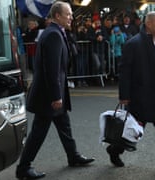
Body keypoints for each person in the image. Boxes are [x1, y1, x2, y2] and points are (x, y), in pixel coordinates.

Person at [15, 2, 95, 179]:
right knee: (38, 132)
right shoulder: (53, 35)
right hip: (48, 96)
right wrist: (56, 96)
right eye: (68, 14)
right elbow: (51, 69)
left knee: (64, 125)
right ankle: (23, 167)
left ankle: (73, 156)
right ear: (57, 16)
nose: (71, 17)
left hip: (53, 92)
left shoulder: (57, 32)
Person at [109, 11, 155, 175]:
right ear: (148, 24)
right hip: (140, 98)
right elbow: (125, 71)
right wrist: (124, 96)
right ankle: (114, 150)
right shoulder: (133, 43)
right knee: (131, 131)